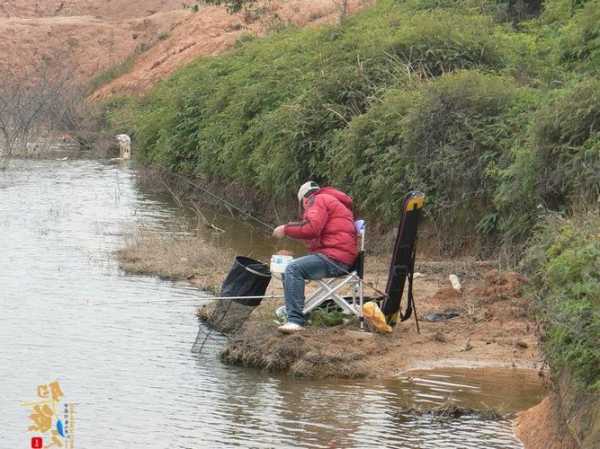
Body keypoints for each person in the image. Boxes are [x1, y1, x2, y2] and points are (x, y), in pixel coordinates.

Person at [272, 181, 358, 333]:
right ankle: (295, 310)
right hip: (341, 258)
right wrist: (296, 233)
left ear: (305, 199)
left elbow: (311, 228)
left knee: (292, 268)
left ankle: (295, 320)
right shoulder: (330, 200)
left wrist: (285, 229)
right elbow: (317, 234)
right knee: (292, 267)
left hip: (335, 259)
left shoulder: (317, 200)